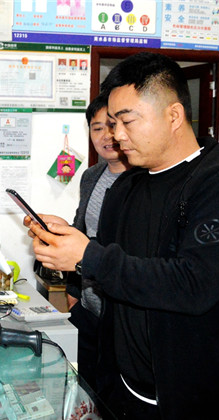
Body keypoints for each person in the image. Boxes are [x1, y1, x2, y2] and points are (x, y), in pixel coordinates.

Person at [28, 52, 219, 419]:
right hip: (126, 390)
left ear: (173, 115)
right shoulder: (126, 187)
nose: (116, 135)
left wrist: (88, 256)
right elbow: (115, 272)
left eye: (127, 121)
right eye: (112, 124)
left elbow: (193, 284)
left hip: (204, 400)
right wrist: (65, 248)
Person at [62, 94, 131, 386]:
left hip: (121, 317)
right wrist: (73, 294)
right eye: (97, 128)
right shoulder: (91, 176)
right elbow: (82, 233)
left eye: (111, 126)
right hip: (87, 309)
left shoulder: (143, 179)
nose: (106, 136)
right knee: (85, 390)